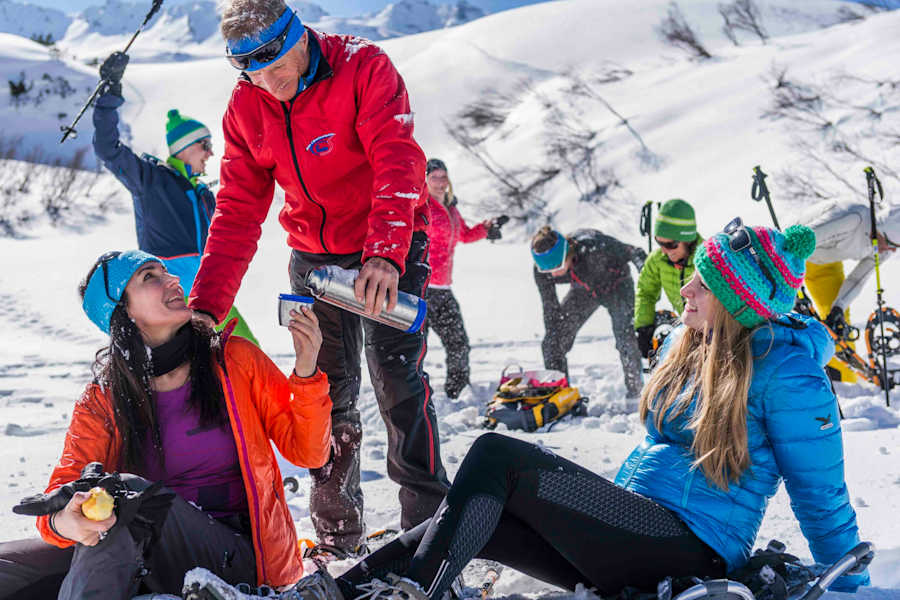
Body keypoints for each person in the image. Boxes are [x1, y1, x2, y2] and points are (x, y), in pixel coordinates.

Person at [192, 218, 870, 600]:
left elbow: (822, 490)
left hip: (692, 548)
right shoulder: (698, 350)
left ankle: (412, 595)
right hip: (637, 532)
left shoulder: (787, 373)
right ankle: (323, 599)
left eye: (703, 282)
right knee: (475, 519)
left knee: (495, 456)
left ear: (739, 300)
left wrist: (853, 579)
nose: (686, 289)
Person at [189, 0, 449, 554]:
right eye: (250, 72)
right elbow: (237, 210)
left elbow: (397, 161)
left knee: (397, 382)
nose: (267, 81)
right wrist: (206, 307)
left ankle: (429, 532)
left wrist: (384, 252)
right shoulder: (246, 108)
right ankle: (337, 537)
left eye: (275, 66)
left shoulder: (363, 67)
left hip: (390, 244)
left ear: (297, 37)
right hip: (315, 258)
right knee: (325, 395)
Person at [0, 250, 333, 598]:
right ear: (124, 313)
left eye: (166, 271)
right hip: (139, 545)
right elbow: (63, 491)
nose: (173, 280)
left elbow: (309, 452)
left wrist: (307, 370)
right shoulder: (103, 399)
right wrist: (64, 521)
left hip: (235, 557)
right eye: (150, 276)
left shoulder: (235, 359)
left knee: (125, 499)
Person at [91, 51, 258, 344]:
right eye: (205, 144)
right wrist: (109, 93)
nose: (210, 153)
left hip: (211, 291)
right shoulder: (151, 179)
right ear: (184, 147)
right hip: (168, 295)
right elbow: (107, 148)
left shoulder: (204, 194)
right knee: (188, 369)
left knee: (247, 353)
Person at [423, 158, 506, 399]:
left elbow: (465, 235)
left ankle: (457, 393)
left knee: (459, 343)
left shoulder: (451, 208)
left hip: (443, 289)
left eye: (443, 177)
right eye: (434, 177)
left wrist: (486, 228)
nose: (440, 182)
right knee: (415, 348)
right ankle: (412, 395)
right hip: (420, 288)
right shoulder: (421, 206)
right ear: (425, 180)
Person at [531, 226, 646, 398]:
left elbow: (633, 252)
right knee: (551, 343)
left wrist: (644, 269)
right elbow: (550, 310)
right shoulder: (543, 273)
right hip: (584, 291)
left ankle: (636, 392)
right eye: (547, 270)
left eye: (557, 266)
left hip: (617, 286)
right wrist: (556, 339)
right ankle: (561, 395)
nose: (553, 274)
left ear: (567, 253)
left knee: (625, 338)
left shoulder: (595, 245)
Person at [797, 199, 900, 382]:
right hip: (795, 255)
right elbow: (799, 239)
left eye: (896, 248)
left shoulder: (885, 247)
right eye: (889, 243)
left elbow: (856, 279)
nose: (890, 250)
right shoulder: (852, 218)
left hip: (825, 264)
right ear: (881, 230)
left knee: (838, 325)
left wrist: (838, 307)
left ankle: (842, 379)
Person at [634, 198, 702, 358]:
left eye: (670, 245)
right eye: (660, 242)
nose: (664, 250)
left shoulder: (707, 260)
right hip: (688, 329)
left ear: (687, 240)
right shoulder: (658, 259)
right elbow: (645, 292)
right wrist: (644, 326)